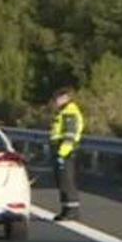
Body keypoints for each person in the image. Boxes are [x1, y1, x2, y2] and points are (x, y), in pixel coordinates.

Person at [49, 89, 85, 221]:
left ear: (65, 98)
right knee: (62, 181)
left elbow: (69, 137)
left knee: (67, 182)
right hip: (62, 151)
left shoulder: (69, 112)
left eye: (58, 99)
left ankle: (72, 211)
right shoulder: (64, 111)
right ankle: (66, 210)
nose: (56, 102)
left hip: (66, 152)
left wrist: (61, 154)